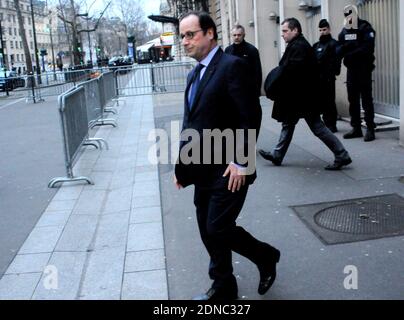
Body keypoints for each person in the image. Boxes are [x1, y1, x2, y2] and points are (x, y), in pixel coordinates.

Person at [174, 11, 280, 301]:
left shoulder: (232, 66)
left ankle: (266, 256)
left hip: (230, 169)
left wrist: (241, 162)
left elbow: (250, 116)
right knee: (207, 230)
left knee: (217, 226)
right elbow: (192, 123)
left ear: (210, 33)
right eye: (182, 35)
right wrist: (182, 169)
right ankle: (223, 286)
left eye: (190, 34)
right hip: (202, 169)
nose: (185, 41)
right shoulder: (195, 73)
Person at [258, 18, 352, 171]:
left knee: (316, 127)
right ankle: (277, 154)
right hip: (299, 97)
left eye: (285, 31)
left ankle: (341, 154)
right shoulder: (297, 45)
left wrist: (277, 85)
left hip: (304, 97)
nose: (282, 34)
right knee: (288, 124)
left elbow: (292, 72)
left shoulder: (299, 47)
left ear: (295, 30)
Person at [338, 4, 376, 142]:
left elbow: (368, 48)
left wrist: (350, 52)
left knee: (366, 100)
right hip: (352, 70)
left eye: (351, 15)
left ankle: (370, 129)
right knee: (352, 100)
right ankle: (356, 128)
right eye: (347, 16)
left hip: (364, 69)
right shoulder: (345, 31)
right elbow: (339, 47)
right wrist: (342, 51)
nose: (349, 18)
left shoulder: (365, 28)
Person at [225, 24, 263, 137]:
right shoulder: (228, 50)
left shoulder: (252, 50)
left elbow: (258, 72)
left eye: (239, 35)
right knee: (234, 120)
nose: (236, 37)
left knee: (251, 119)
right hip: (232, 93)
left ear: (244, 35)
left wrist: (256, 92)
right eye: (234, 35)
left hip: (249, 93)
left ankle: (250, 143)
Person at [313, 19, 341, 133]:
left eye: (324, 30)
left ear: (329, 29)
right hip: (319, 78)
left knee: (330, 101)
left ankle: (332, 124)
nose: (322, 32)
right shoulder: (316, 45)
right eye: (320, 30)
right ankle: (325, 123)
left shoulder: (334, 44)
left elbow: (337, 60)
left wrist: (334, 72)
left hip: (328, 78)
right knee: (322, 101)